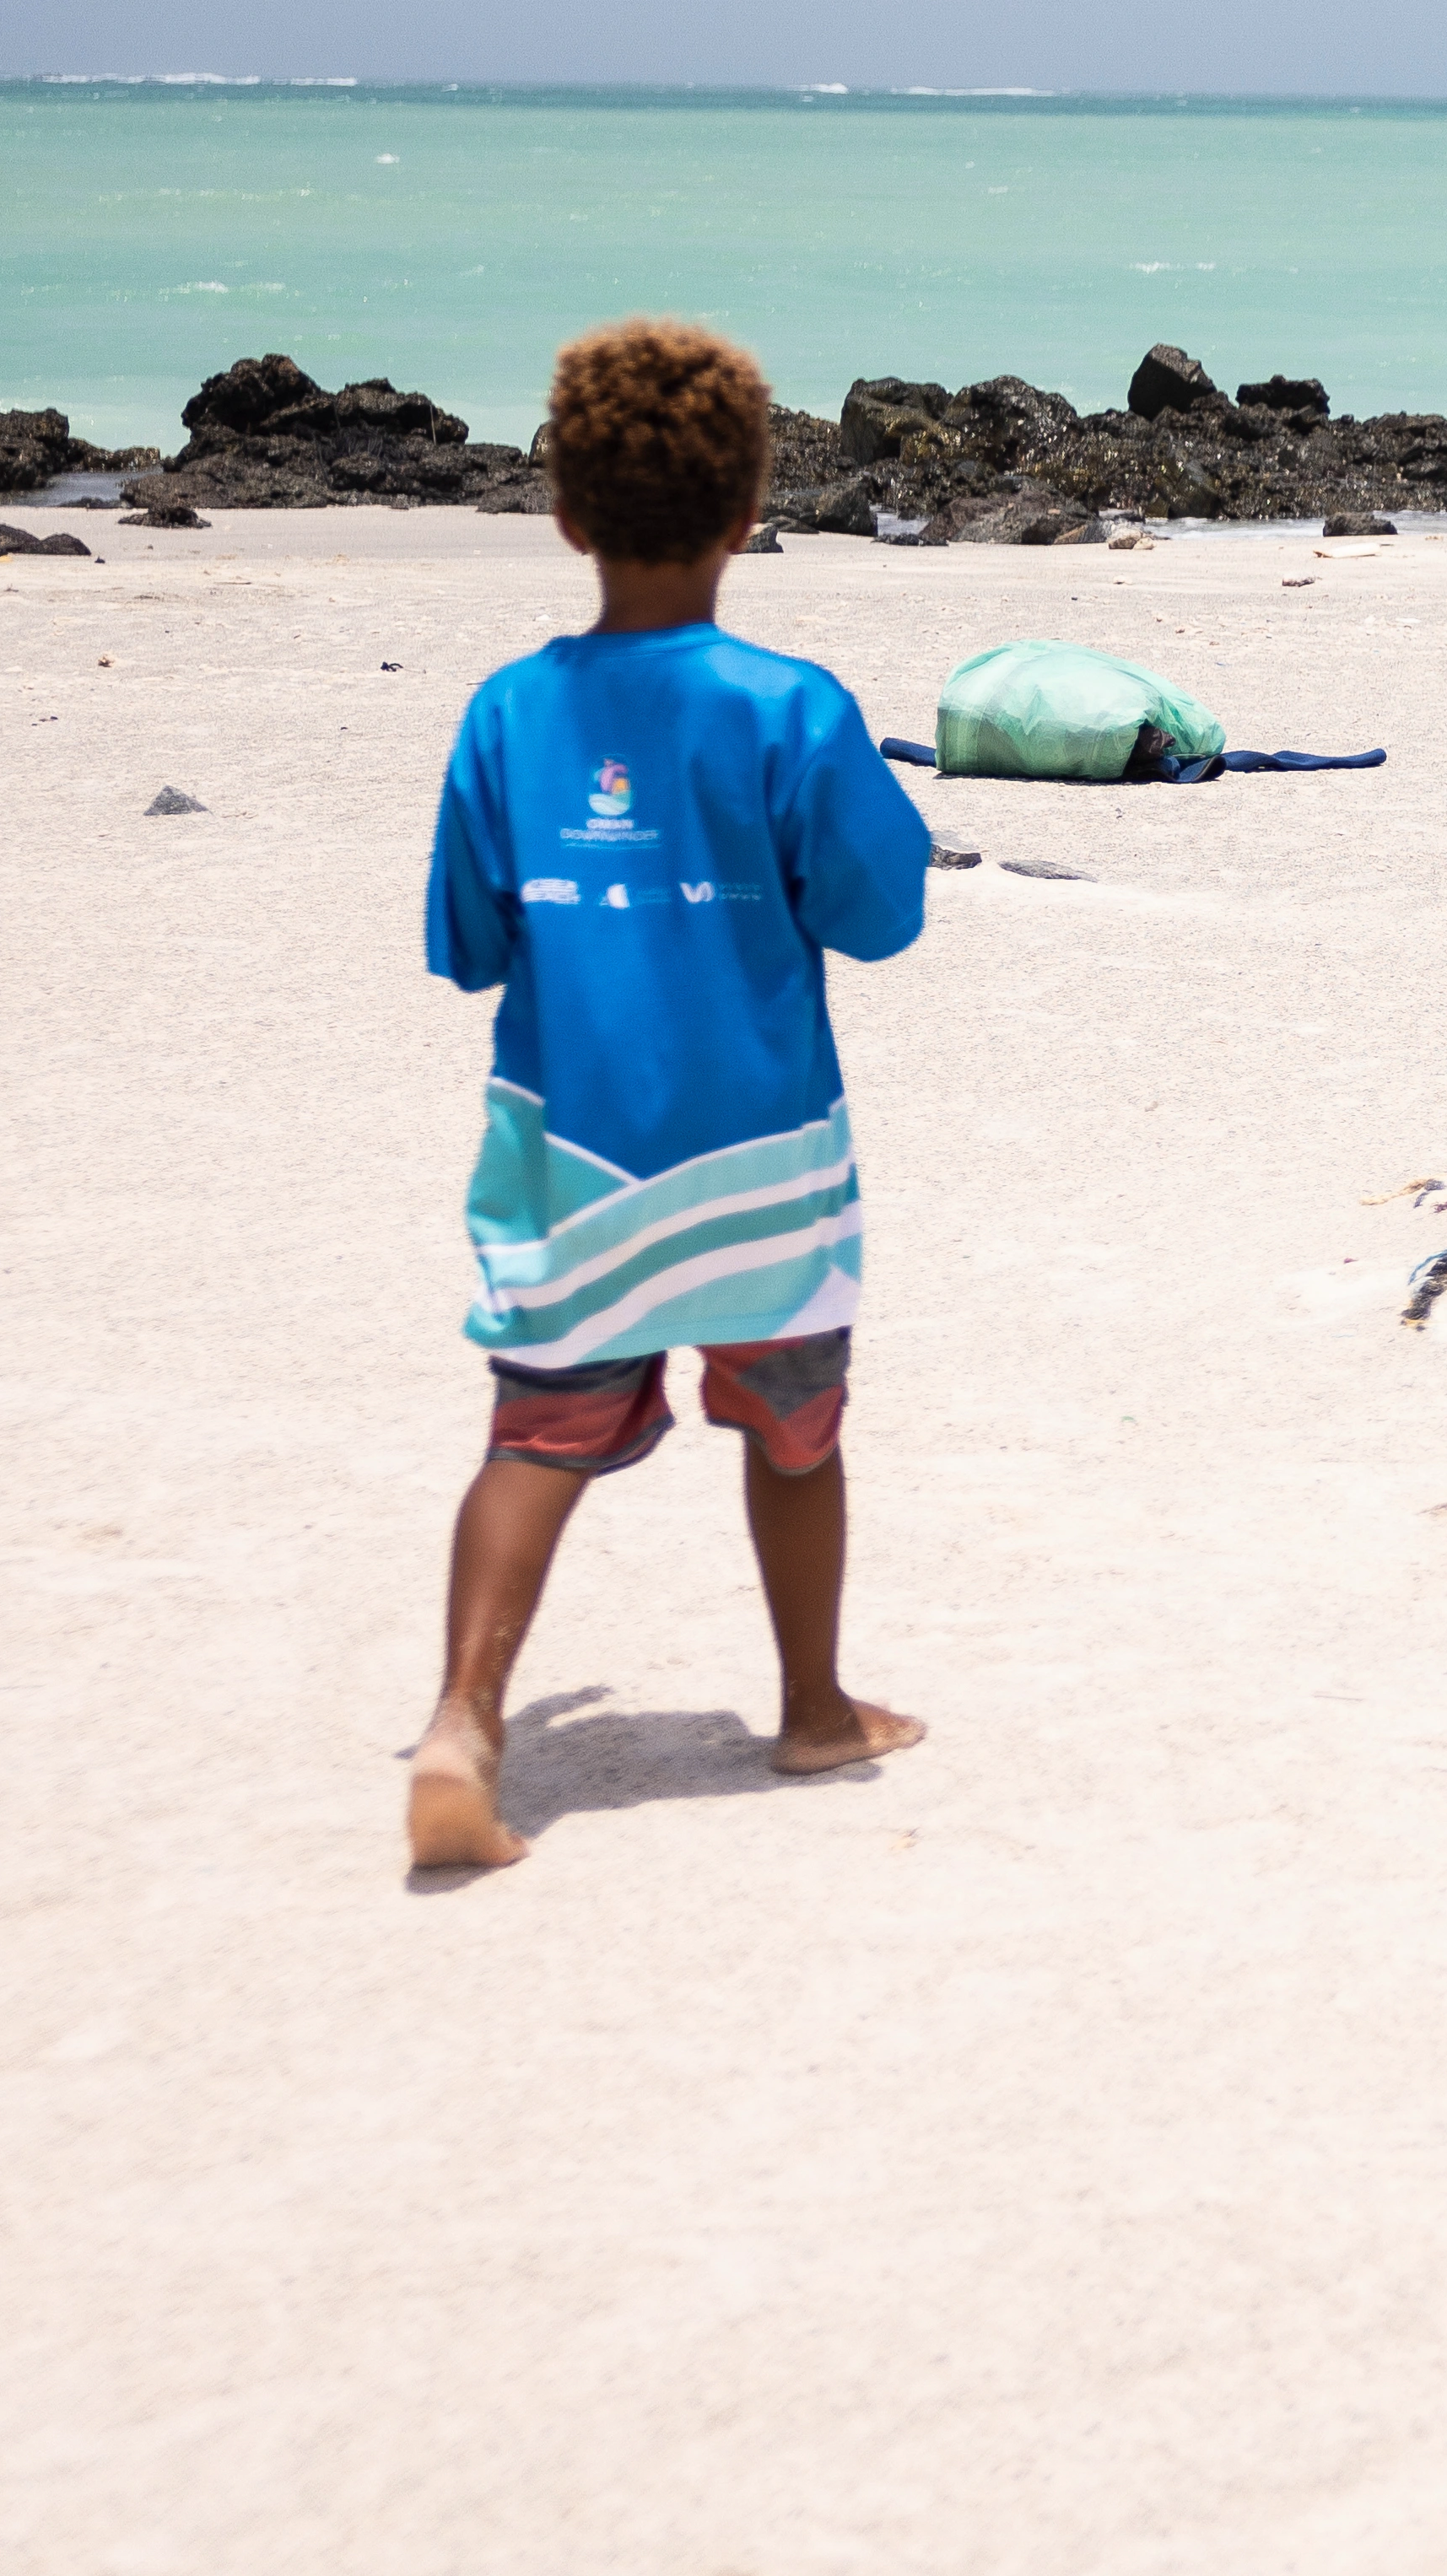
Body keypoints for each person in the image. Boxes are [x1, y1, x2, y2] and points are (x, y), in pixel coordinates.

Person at [403, 316, 937, 1872]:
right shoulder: (789, 706)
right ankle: (816, 1706)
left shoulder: (508, 711)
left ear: (565, 511)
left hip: (570, 1148)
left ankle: (462, 1720)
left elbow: (464, 941)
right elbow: (881, 912)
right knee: (794, 1425)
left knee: (533, 1434)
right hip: (765, 1152)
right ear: (745, 510)